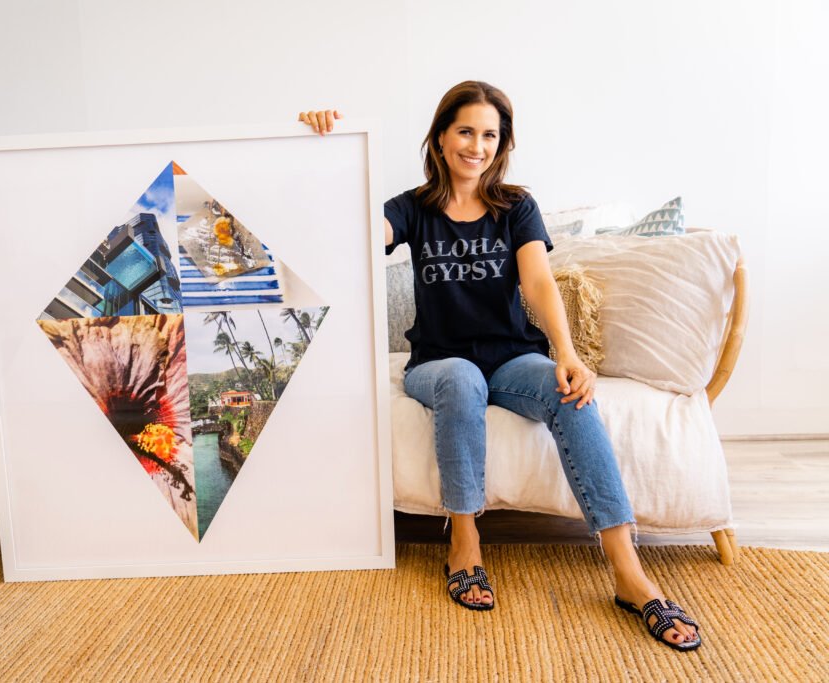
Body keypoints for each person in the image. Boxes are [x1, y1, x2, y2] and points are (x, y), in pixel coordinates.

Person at [298, 81, 702, 651]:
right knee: (461, 377)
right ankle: (464, 542)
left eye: (490, 135)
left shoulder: (517, 207)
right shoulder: (411, 209)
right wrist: (328, 149)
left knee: (572, 395)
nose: (477, 145)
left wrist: (567, 355)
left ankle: (629, 573)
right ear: (440, 139)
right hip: (438, 362)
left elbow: (537, 281)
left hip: (514, 358)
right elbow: (349, 235)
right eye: (466, 131)